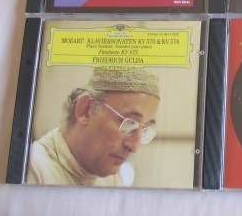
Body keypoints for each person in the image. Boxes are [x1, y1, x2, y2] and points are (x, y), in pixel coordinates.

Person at [28, 68, 160, 186]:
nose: (134, 147)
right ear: (85, 110)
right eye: (129, 123)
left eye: (144, 129)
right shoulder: (33, 170)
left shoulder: (111, 179)